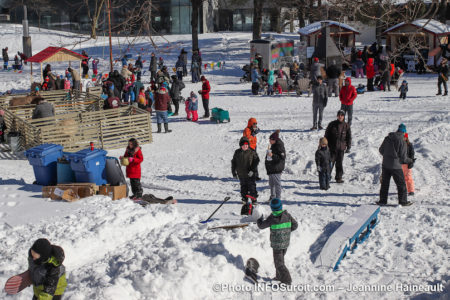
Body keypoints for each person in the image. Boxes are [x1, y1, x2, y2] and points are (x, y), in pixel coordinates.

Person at [257, 198, 298, 285]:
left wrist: (259, 219)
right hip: (285, 243)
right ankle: (279, 276)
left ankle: (287, 280)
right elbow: (295, 225)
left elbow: (261, 226)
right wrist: (286, 231)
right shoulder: (287, 215)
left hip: (277, 246)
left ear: (272, 208)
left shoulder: (272, 218)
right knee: (280, 261)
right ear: (281, 206)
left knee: (279, 264)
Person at [377, 124, 413, 206]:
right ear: (404, 132)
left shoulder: (388, 138)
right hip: (396, 166)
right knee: (401, 184)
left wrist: (387, 155)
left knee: (385, 184)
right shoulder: (402, 140)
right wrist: (410, 160)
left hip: (385, 164)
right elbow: (403, 158)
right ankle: (403, 201)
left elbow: (381, 150)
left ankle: (382, 201)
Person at [231, 137, 260, 212]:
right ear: (241, 145)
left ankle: (254, 199)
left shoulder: (252, 151)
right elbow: (233, 162)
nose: (245, 146)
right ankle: (244, 198)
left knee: (252, 186)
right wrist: (234, 172)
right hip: (241, 174)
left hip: (250, 174)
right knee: (243, 186)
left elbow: (256, 160)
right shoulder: (237, 152)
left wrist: (252, 170)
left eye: (247, 145)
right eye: (243, 145)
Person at [324, 110, 352, 183]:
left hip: (341, 149)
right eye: (339, 115)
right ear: (337, 116)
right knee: (330, 163)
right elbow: (326, 136)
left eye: (342, 115)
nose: (340, 116)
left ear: (343, 116)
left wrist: (348, 146)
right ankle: (327, 177)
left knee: (339, 164)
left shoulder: (346, 126)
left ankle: (338, 178)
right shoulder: (332, 124)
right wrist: (325, 145)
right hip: (332, 148)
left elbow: (349, 137)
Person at [265, 130, 286, 201]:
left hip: (276, 168)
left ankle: (278, 199)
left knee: (277, 184)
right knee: (271, 184)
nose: (269, 141)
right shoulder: (273, 145)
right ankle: (272, 197)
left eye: (270, 140)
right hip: (271, 168)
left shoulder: (279, 146)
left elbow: (281, 157)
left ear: (274, 140)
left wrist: (272, 155)